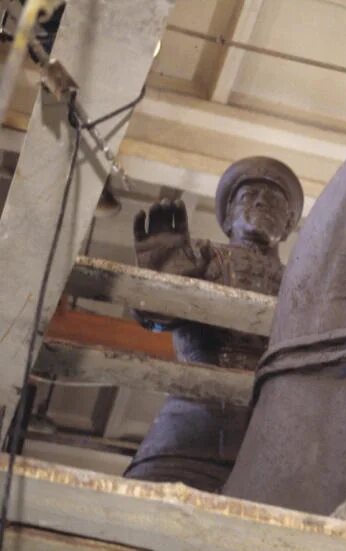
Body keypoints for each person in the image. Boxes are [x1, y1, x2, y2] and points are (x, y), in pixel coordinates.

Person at [124, 156, 303, 492]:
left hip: (273, 437)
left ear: (290, 221)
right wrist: (161, 284)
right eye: (248, 196)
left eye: (275, 200)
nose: (262, 202)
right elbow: (157, 316)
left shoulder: (300, 282)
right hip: (192, 429)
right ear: (228, 216)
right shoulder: (203, 258)